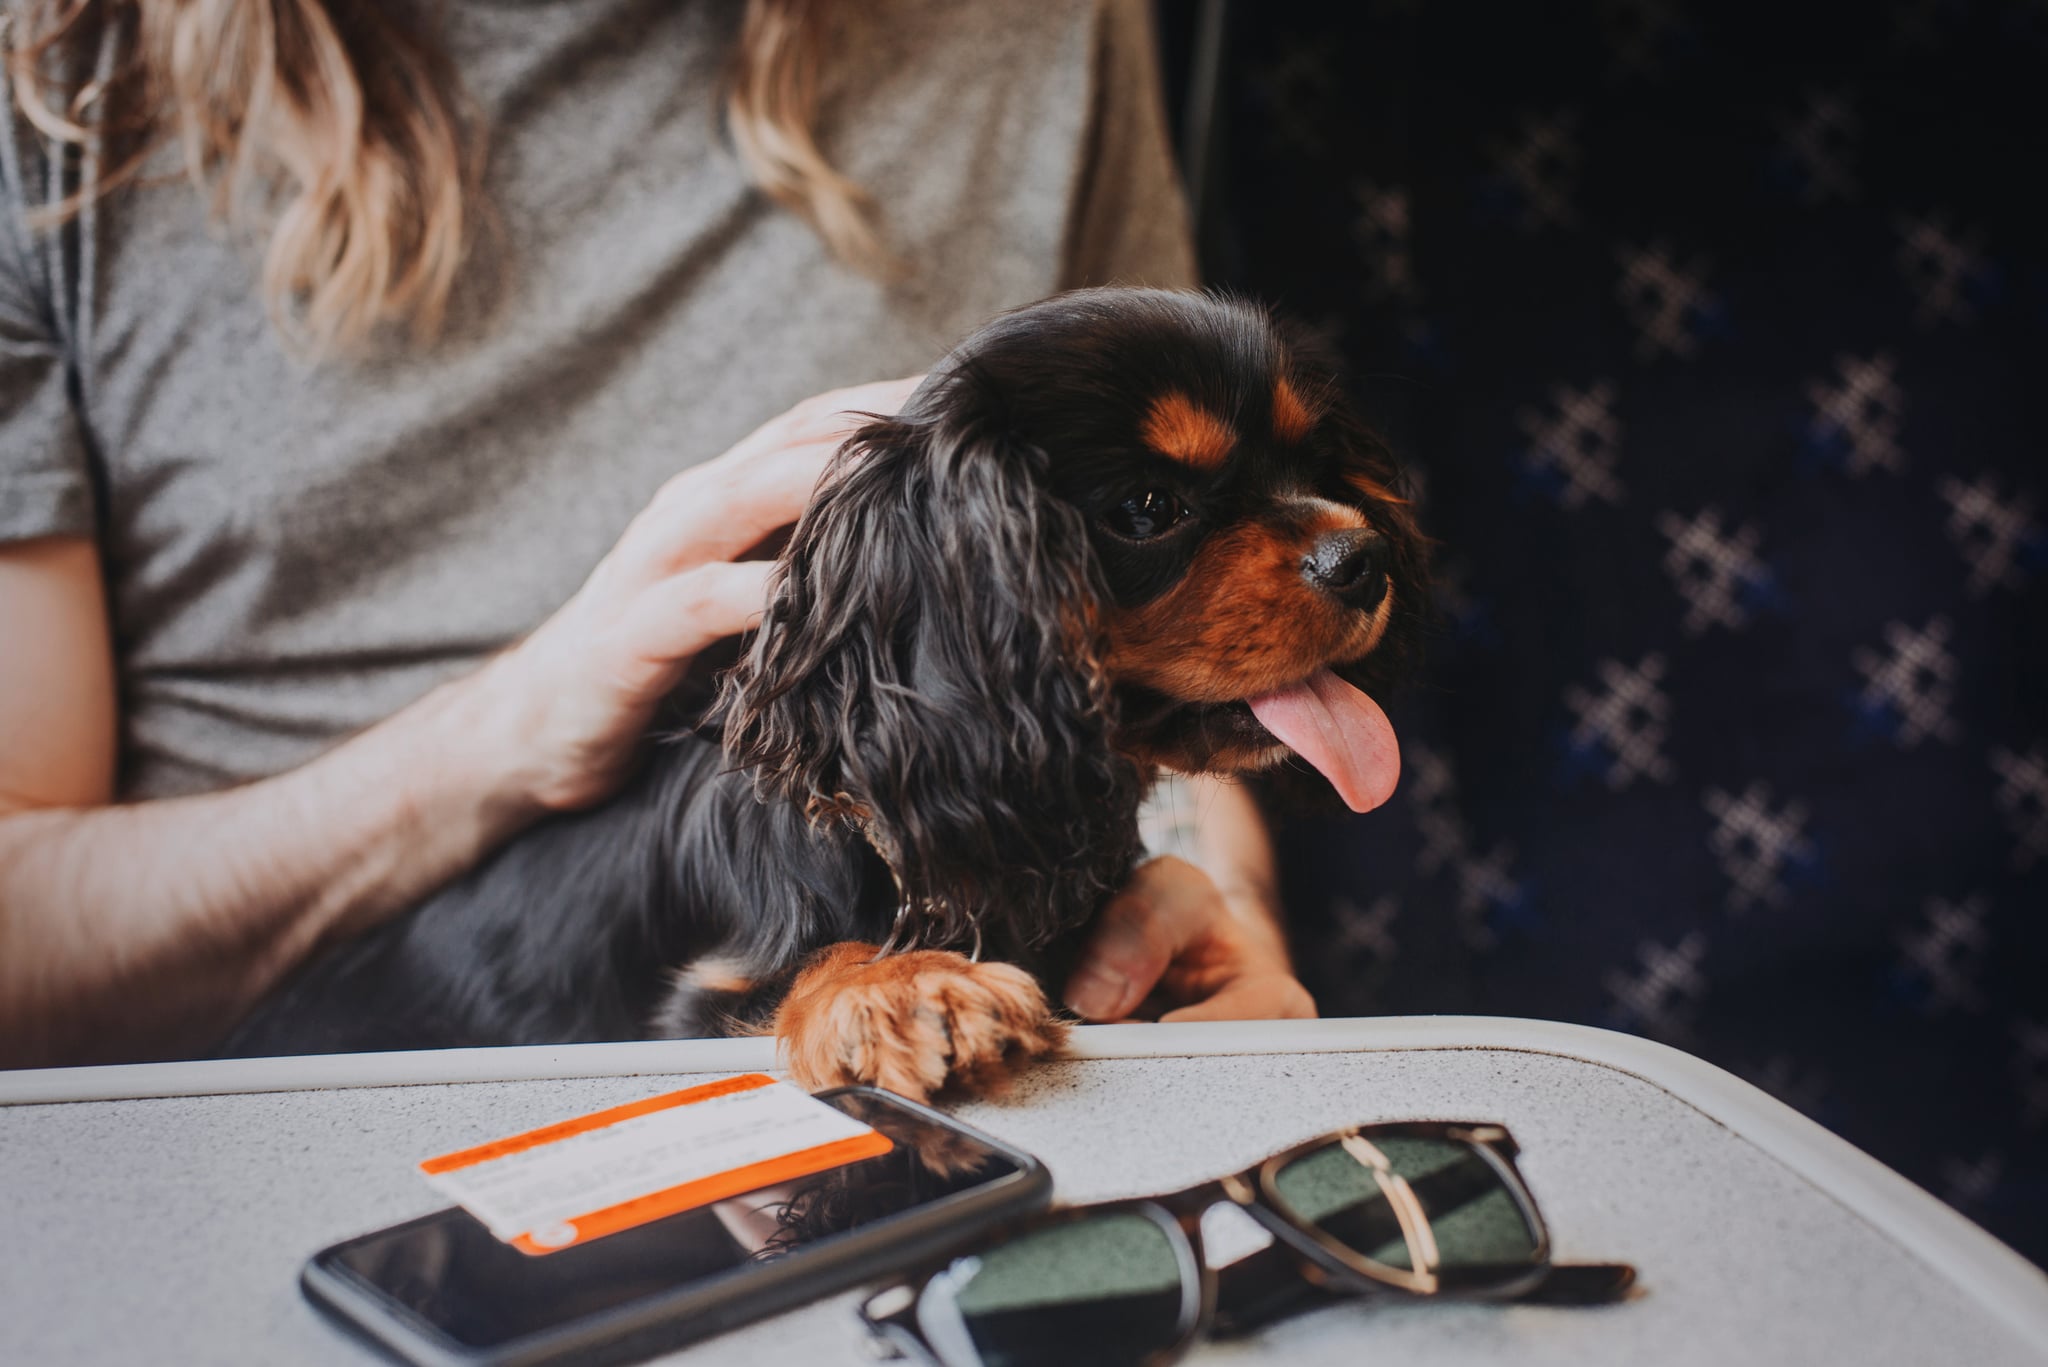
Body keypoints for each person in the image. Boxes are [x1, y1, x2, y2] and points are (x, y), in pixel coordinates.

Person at [0, 0, 1313, 1068]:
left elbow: (1164, 592)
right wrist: (508, 736)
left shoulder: (1037, 25)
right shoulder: (53, 80)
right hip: (283, 1105)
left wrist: (1194, 924)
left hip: (976, 1036)